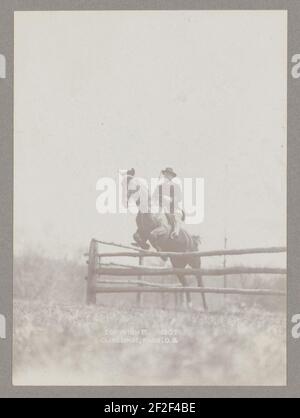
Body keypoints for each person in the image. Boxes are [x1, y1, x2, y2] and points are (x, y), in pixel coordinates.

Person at [152, 167, 184, 239]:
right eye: (166, 174)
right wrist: (156, 197)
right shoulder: (159, 186)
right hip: (161, 207)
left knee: (177, 217)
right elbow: (154, 196)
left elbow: (178, 198)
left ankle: (175, 232)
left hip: (173, 208)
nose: (167, 176)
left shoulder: (176, 186)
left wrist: (170, 199)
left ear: (172, 176)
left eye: (169, 174)